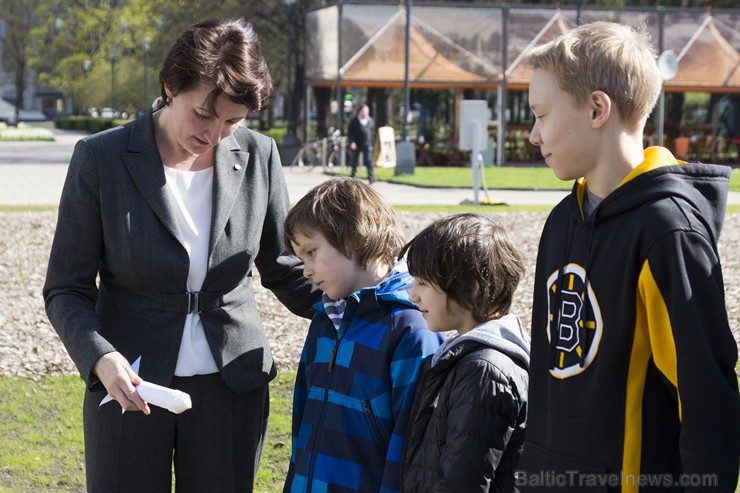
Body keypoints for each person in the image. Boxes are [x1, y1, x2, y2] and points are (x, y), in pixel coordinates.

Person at [43, 18, 318, 492]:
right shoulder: (100, 158)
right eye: (204, 115)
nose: (215, 134)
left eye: (233, 121)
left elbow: (285, 269)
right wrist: (99, 358)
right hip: (129, 384)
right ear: (171, 87)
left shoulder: (260, 155)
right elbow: (66, 288)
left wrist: (367, 301)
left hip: (233, 384)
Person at [518, 22, 740, 491]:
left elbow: (705, 401)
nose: (533, 135)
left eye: (541, 114)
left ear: (598, 108)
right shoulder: (562, 220)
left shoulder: (667, 230)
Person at [283, 177, 444, 492]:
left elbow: (415, 447)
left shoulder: (412, 327)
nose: (305, 270)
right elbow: (301, 429)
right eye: (301, 259)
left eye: (312, 252)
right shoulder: (323, 320)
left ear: (355, 240)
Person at [399, 213, 530, 492]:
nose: (413, 295)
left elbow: (462, 483)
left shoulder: (484, 371)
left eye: (423, 283)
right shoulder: (462, 355)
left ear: (471, 286)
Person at [347, 103, 376, 183]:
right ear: (359, 111)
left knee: (368, 160)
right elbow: (350, 133)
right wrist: (351, 142)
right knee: (354, 160)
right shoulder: (354, 121)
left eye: (367, 111)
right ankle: (353, 176)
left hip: (367, 144)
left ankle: (371, 176)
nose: (365, 113)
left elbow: (373, 133)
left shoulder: (370, 121)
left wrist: (372, 143)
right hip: (356, 144)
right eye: (364, 111)